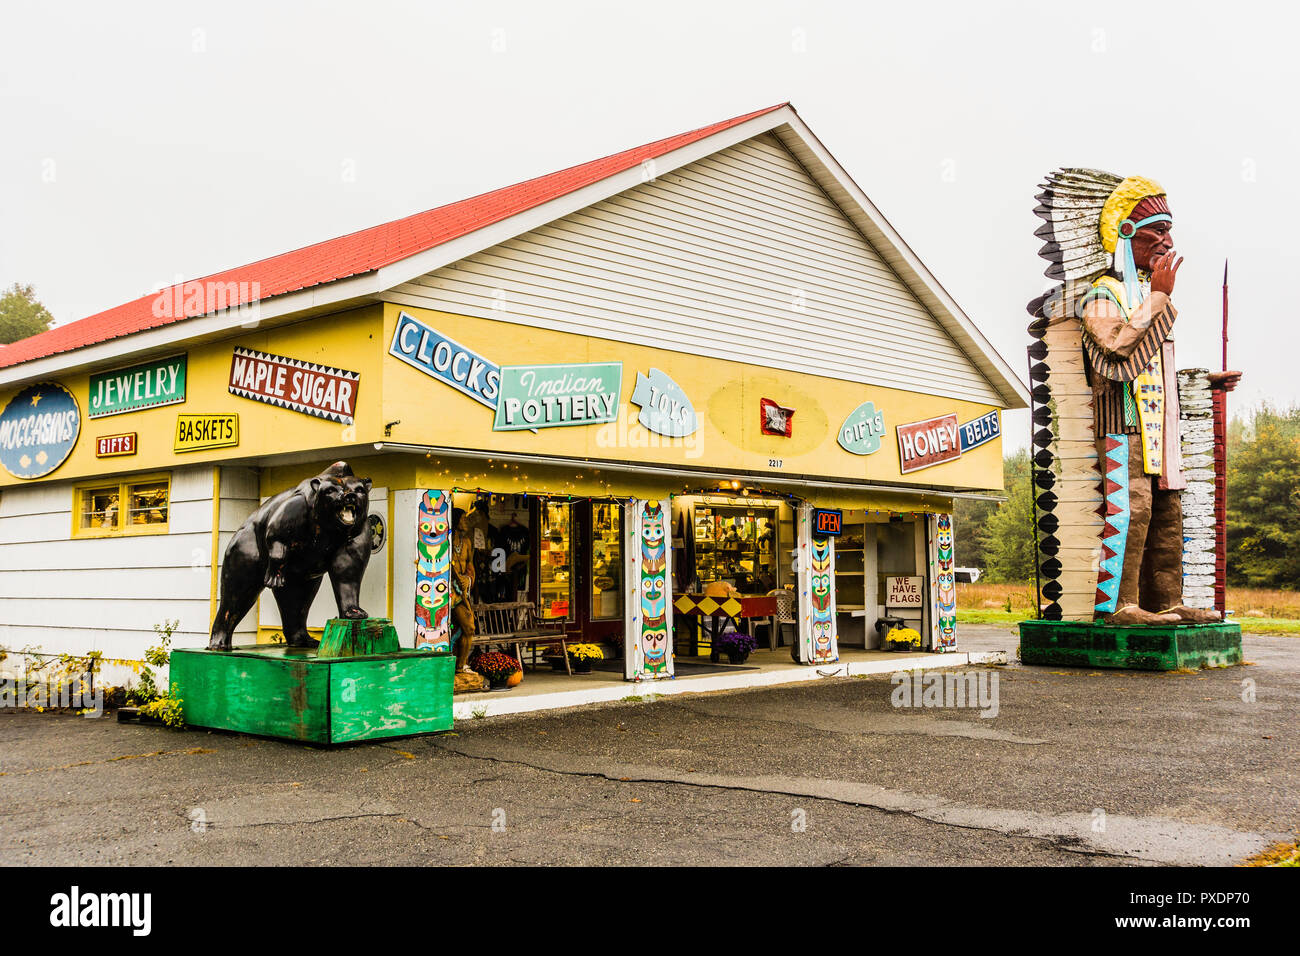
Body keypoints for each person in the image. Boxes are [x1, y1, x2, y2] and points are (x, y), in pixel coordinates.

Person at [1078, 181, 1241, 625]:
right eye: (1159, 231)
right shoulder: (1103, 294)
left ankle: (1165, 600)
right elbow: (1114, 353)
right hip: (1123, 420)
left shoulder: (1147, 297)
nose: (1168, 243)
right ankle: (1119, 605)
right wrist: (1159, 297)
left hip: (1159, 427)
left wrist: (1205, 383)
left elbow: (1157, 367)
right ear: (1128, 231)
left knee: (1168, 513)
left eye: (1170, 232)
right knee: (1133, 508)